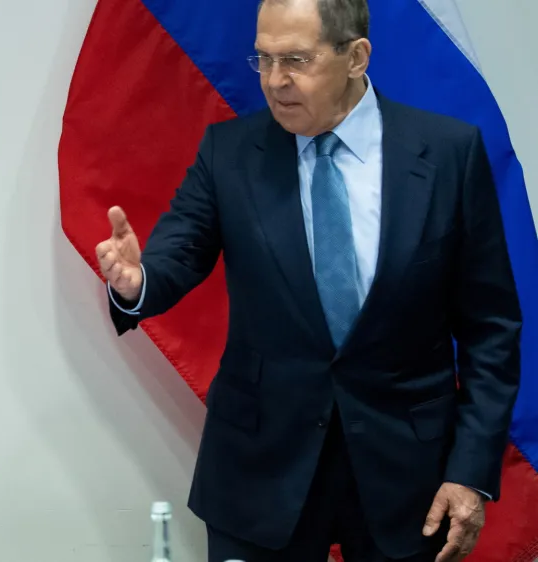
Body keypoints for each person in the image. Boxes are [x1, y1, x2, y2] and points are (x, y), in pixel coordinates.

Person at [95, 0, 521, 560]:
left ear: (356, 57)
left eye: (295, 59)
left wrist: (470, 472)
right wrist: (137, 283)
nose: (275, 81)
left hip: (408, 480)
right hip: (260, 472)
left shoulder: (447, 154)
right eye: (264, 59)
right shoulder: (229, 155)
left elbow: (492, 330)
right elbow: (181, 251)